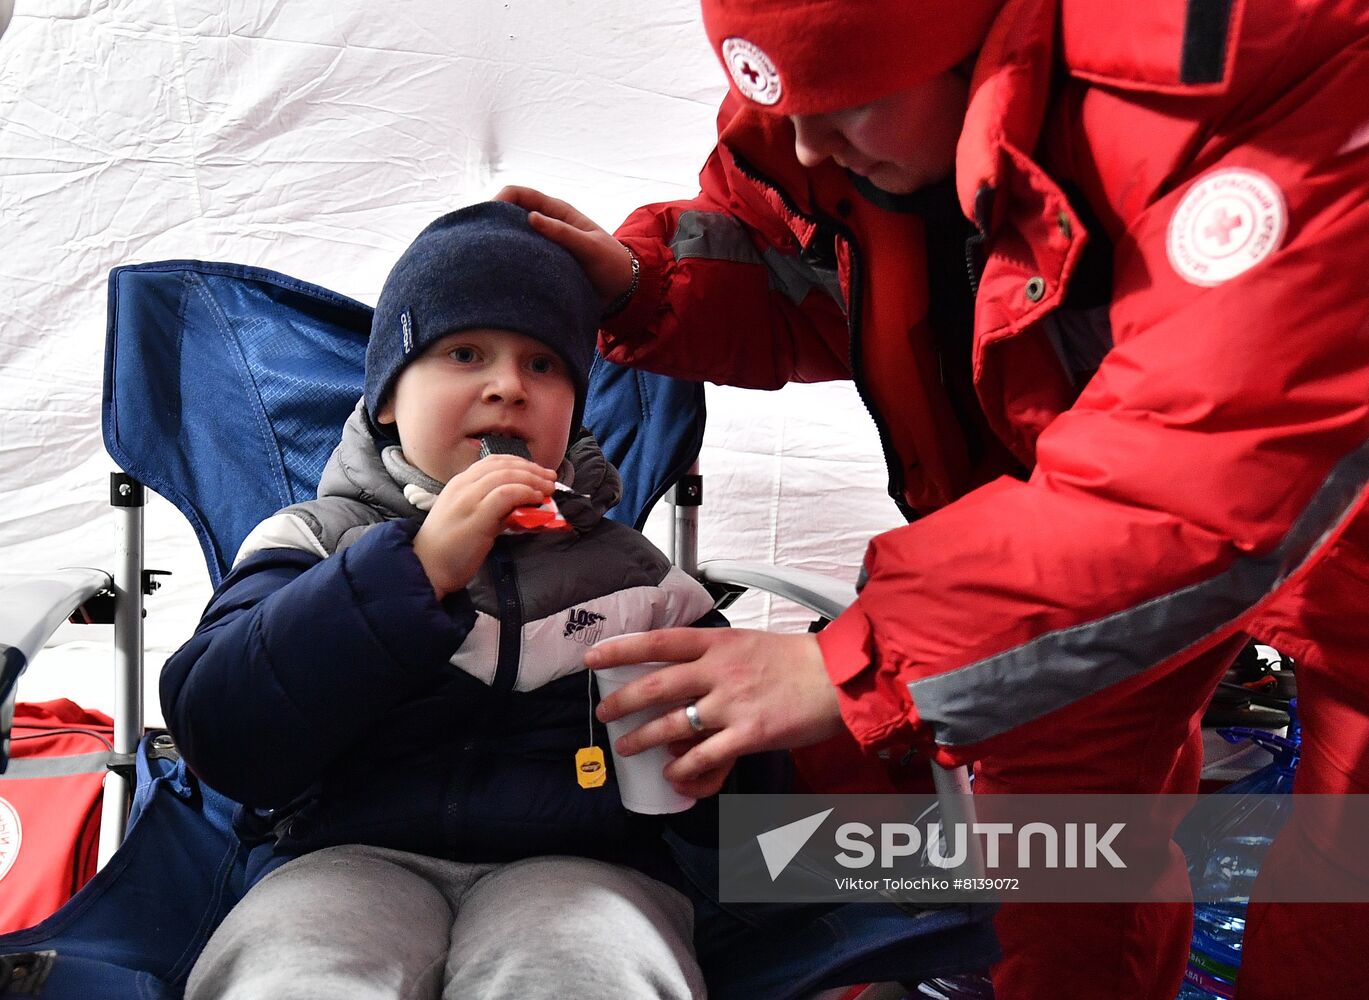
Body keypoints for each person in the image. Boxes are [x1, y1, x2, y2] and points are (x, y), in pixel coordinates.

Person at [498, 0, 1369, 996]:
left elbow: (1209, 465)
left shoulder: (1266, 63)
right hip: (1049, 560)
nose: (806, 144)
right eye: (777, 102)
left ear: (977, 48)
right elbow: (800, 260)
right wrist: (643, 287)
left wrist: (855, 661)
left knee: (1340, 908)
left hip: (1317, 540)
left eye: (846, 108)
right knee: (1043, 869)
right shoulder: (830, 119)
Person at [159, 201, 720, 1000]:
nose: (506, 388)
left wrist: (711, 747)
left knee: (587, 968)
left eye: (544, 365)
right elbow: (221, 730)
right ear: (387, 397)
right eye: (463, 352)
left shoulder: (634, 575)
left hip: (584, 867)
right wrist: (414, 572)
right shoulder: (311, 540)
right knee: (295, 972)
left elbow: (748, 800)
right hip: (346, 858)